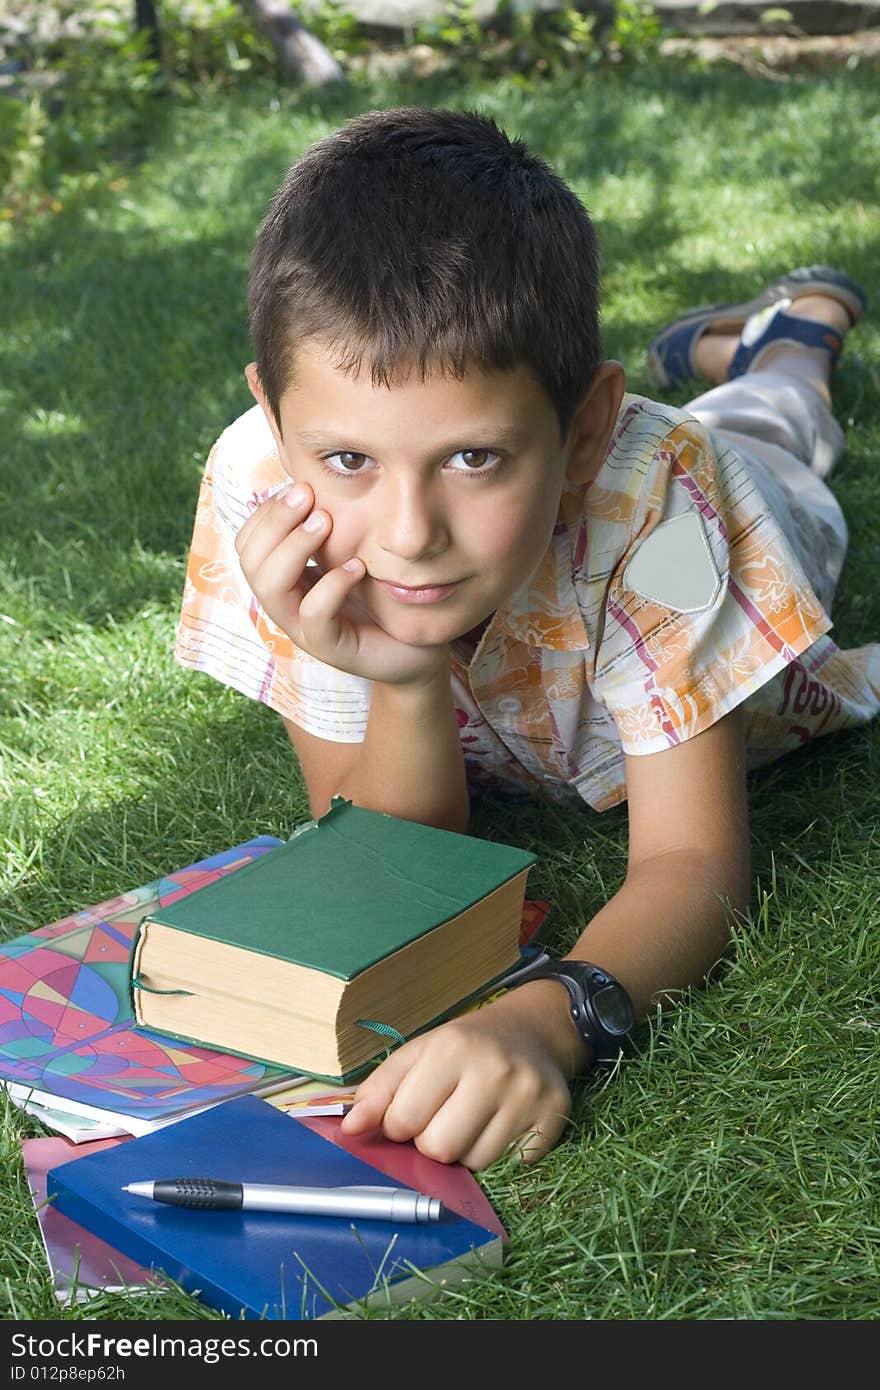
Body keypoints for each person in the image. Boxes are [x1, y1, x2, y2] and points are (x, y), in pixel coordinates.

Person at [174, 106, 879, 1172]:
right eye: (350, 460)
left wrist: (549, 1015)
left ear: (585, 427)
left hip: (741, 507)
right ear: (274, 421)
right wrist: (404, 683)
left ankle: (796, 339)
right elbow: (396, 852)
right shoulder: (261, 490)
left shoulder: (663, 497)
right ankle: (755, 346)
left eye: (474, 459)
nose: (407, 538)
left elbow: (692, 860)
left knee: (773, 431)